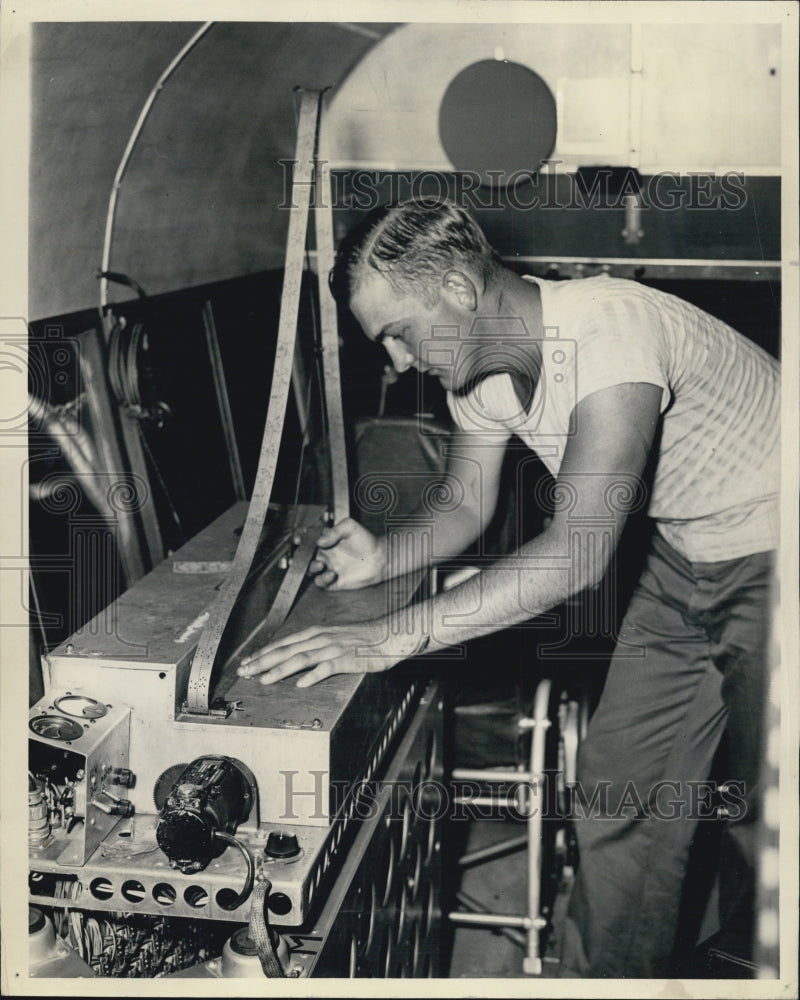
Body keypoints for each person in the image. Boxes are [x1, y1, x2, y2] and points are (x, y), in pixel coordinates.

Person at [238, 199, 779, 978]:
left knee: (762, 815)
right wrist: (382, 560)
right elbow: (463, 506)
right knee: (618, 792)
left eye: (397, 331)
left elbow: (576, 555)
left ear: (458, 287)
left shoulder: (606, 331)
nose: (393, 361)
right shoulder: (479, 376)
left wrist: (387, 637)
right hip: (687, 551)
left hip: (775, 546)